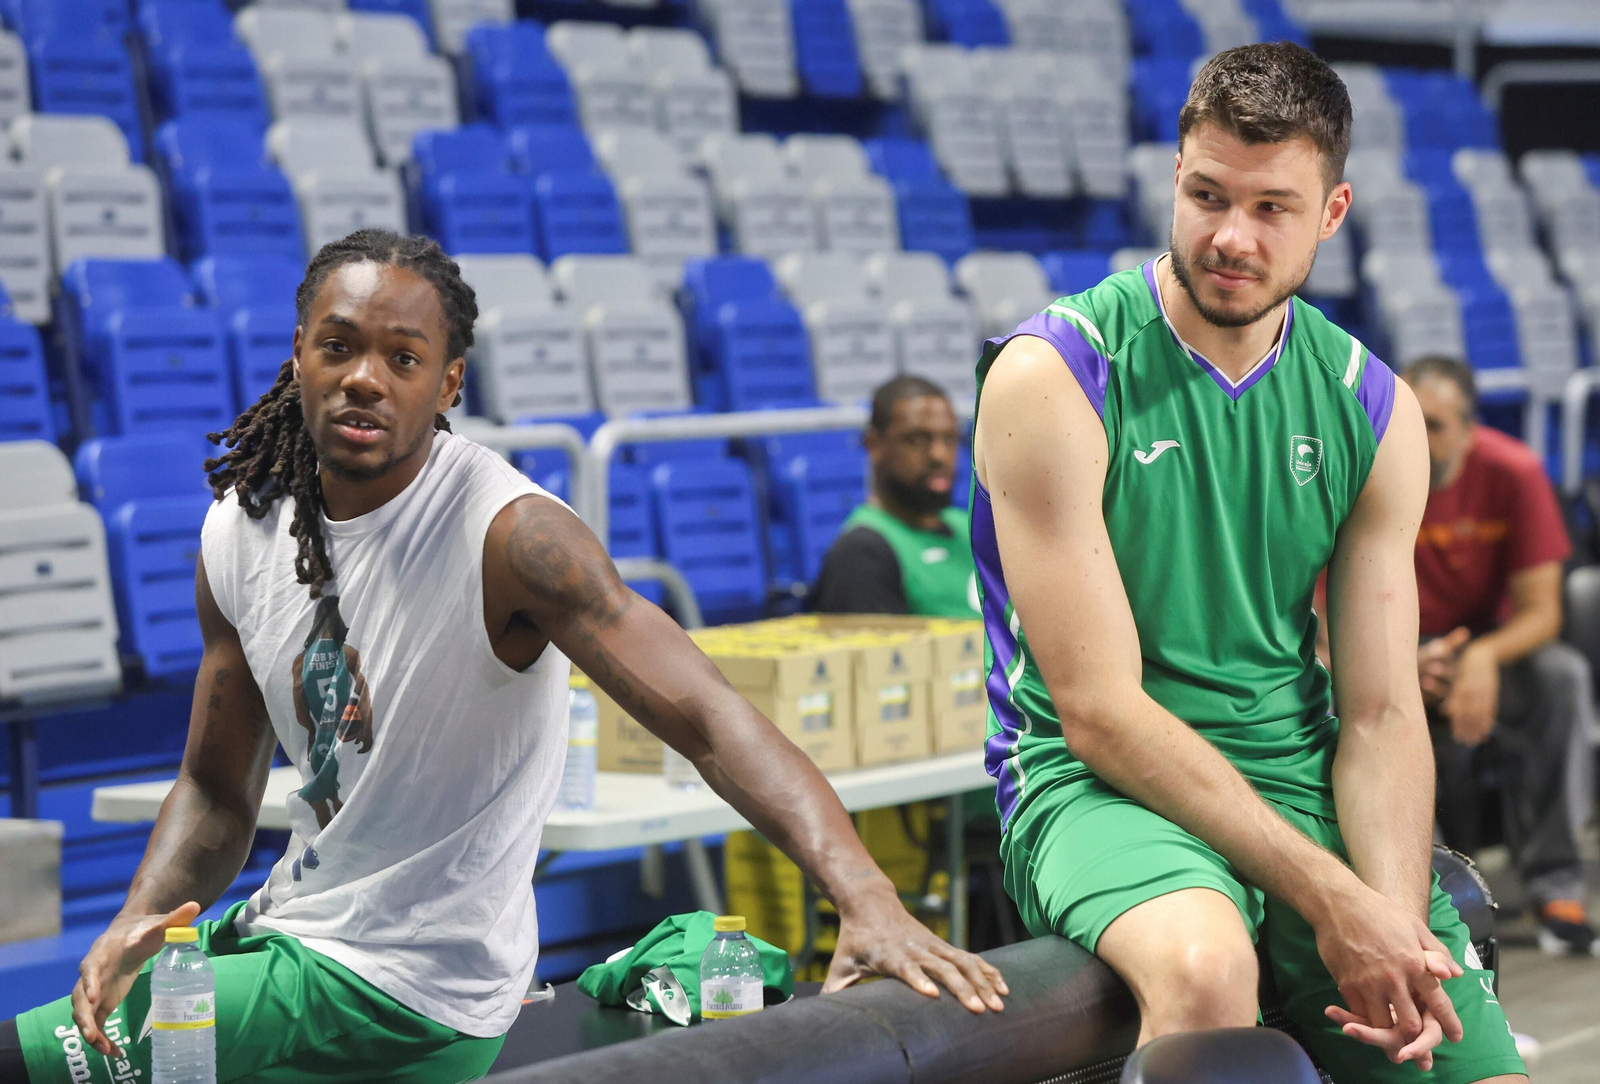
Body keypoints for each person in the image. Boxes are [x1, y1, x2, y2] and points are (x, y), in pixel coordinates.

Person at [0, 230, 1006, 1084]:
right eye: (339, 346)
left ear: (447, 381)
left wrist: (866, 897)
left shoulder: (513, 537)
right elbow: (217, 795)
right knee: (108, 1001)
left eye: (402, 357)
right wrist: (132, 922)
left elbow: (709, 716)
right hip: (295, 928)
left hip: (409, 986)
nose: (365, 376)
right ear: (297, 353)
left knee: (27, 1055)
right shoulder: (237, 531)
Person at [973, 43, 1524, 1083]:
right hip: (1098, 787)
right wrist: (1328, 897)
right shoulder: (1054, 376)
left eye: (1272, 207)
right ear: (1171, 179)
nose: (1229, 236)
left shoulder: (1372, 406)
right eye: (1204, 195)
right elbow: (1095, 708)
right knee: (1204, 972)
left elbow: (1379, 712)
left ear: (1332, 212)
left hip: (1300, 773)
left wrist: (1387, 921)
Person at [1403, 355, 1597, 957]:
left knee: (1562, 678)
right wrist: (1406, 662)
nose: (1418, 437)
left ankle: (1556, 884)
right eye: (1409, 420)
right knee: (1330, 691)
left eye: (1434, 424)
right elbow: (1324, 620)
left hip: (1489, 654)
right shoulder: (1364, 467)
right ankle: (1420, 892)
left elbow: (1544, 610)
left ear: (1469, 427)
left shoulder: (1513, 470)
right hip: (1392, 658)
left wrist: (1483, 657)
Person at [809, 375, 979, 618]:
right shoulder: (862, 553)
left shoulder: (971, 526)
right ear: (874, 444)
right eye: (917, 439)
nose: (939, 455)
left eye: (950, 439)